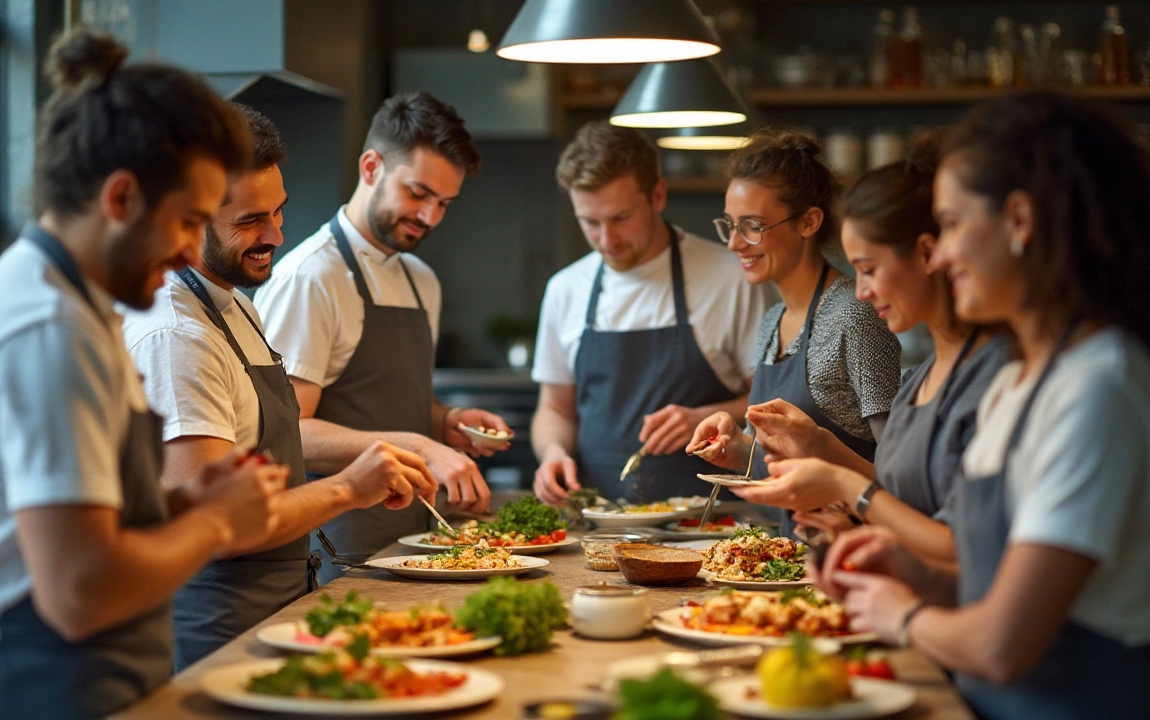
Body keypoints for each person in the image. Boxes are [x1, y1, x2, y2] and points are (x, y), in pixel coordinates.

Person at [0, 29, 287, 720]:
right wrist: (216, 524)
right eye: (187, 220)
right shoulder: (47, 330)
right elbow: (77, 592)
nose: (192, 248)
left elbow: (68, 535)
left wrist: (181, 506)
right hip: (14, 690)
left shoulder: (78, 307)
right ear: (120, 198)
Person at [817, 92, 1150, 719]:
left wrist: (902, 614)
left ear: (1020, 221)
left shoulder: (1096, 390)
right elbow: (990, 578)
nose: (939, 254)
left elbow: (1002, 645)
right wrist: (917, 575)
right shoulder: (1020, 381)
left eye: (952, 224)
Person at [123, 105, 438, 669]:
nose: (275, 234)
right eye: (249, 221)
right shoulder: (174, 334)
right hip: (214, 637)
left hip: (276, 618)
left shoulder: (236, 305)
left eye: (278, 212)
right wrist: (348, 488)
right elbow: (210, 526)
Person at [254, 92, 508, 581]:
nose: (430, 217)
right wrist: (420, 446)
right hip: (343, 552)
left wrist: (446, 420)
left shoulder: (420, 278)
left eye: (443, 203)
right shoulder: (312, 279)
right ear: (371, 167)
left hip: (417, 540)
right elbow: (290, 433)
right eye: (418, 193)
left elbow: (391, 400)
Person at [728, 136, 1010, 563]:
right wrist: (806, 445)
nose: (861, 290)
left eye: (869, 269)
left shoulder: (991, 378)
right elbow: (891, 490)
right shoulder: (919, 379)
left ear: (929, 253)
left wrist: (845, 492)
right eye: (730, 224)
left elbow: (963, 547)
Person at [530, 121, 770, 505]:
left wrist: (703, 416)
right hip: (599, 523)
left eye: (621, 218)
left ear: (658, 196)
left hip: (709, 526)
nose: (606, 240)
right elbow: (555, 407)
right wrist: (553, 453)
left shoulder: (730, 277)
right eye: (590, 222)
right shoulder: (565, 289)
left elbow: (768, 403)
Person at [690, 131, 901, 535]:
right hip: (791, 553)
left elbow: (899, 474)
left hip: (856, 549)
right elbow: (777, 460)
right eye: (731, 226)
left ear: (809, 221)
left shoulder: (855, 315)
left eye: (752, 226)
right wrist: (737, 449)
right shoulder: (772, 320)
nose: (735, 243)